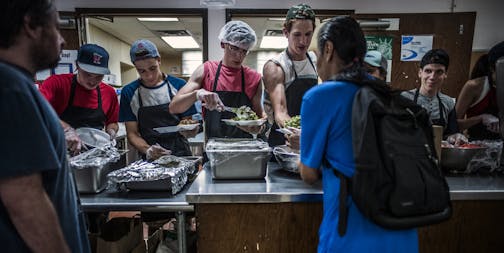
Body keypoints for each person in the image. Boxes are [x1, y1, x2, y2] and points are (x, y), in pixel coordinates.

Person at [298, 16, 418, 252]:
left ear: (329, 49)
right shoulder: (387, 94)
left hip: (351, 237)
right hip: (403, 234)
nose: (317, 62)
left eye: (317, 54)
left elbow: (309, 174)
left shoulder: (320, 96)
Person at [0, 0, 90, 252]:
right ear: (31, 25)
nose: (62, 40)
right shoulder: (10, 88)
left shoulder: (19, 85)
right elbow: (24, 199)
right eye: (57, 28)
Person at [169, 20, 264, 139]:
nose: (239, 56)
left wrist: (258, 127)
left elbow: (259, 118)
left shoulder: (254, 78)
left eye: (244, 51)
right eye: (234, 48)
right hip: (214, 149)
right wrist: (197, 94)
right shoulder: (207, 70)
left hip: (245, 148)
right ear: (223, 44)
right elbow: (174, 107)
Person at [120, 39, 198, 160]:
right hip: (149, 157)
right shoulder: (129, 92)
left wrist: (190, 131)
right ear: (135, 67)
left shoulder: (179, 85)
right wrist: (148, 150)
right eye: (142, 71)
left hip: (180, 153)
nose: (149, 76)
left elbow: (187, 121)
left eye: (152, 68)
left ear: (159, 60)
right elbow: (132, 133)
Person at [40, 44, 119, 154]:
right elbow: (37, 109)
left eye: (98, 76)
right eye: (88, 74)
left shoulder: (109, 93)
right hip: (60, 152)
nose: (92, 81)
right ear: (77, 65)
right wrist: (66, 130)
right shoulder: (57, 84)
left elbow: (112, 122)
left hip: (95, 154)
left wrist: (111, 131)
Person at [263, 3, 318, 149]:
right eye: (297, 34)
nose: (303, 41)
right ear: (286, 33)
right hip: (283, 143)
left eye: (308, 34)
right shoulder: (276, 66)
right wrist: (297, 132)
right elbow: (280, 112)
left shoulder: (315, 60)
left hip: (309, 140)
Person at [401, 49, 467, 144]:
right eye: (428, 71)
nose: (432, 77)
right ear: (420, 73)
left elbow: (451, 133)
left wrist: (455, 137)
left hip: (437, 155)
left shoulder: (448, 103)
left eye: (439, 72)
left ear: (445, 75)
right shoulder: (404, 98)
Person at [455, 42, 504, 140]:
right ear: (492, 69)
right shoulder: (474, 86)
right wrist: (481, 118)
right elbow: (454, 125)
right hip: (478, 145)